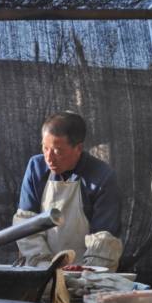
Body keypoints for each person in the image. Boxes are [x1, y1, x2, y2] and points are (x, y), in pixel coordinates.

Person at [14, 111, 123, 271]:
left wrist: (86, 273)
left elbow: (104, 239)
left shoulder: (103, 177)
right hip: (40, 268)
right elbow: (26, 224)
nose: (49, 158)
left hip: (86, 271)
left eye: (57, 151)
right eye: (45, 148)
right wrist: (45, 269)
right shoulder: (35, 168)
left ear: (78, 148)